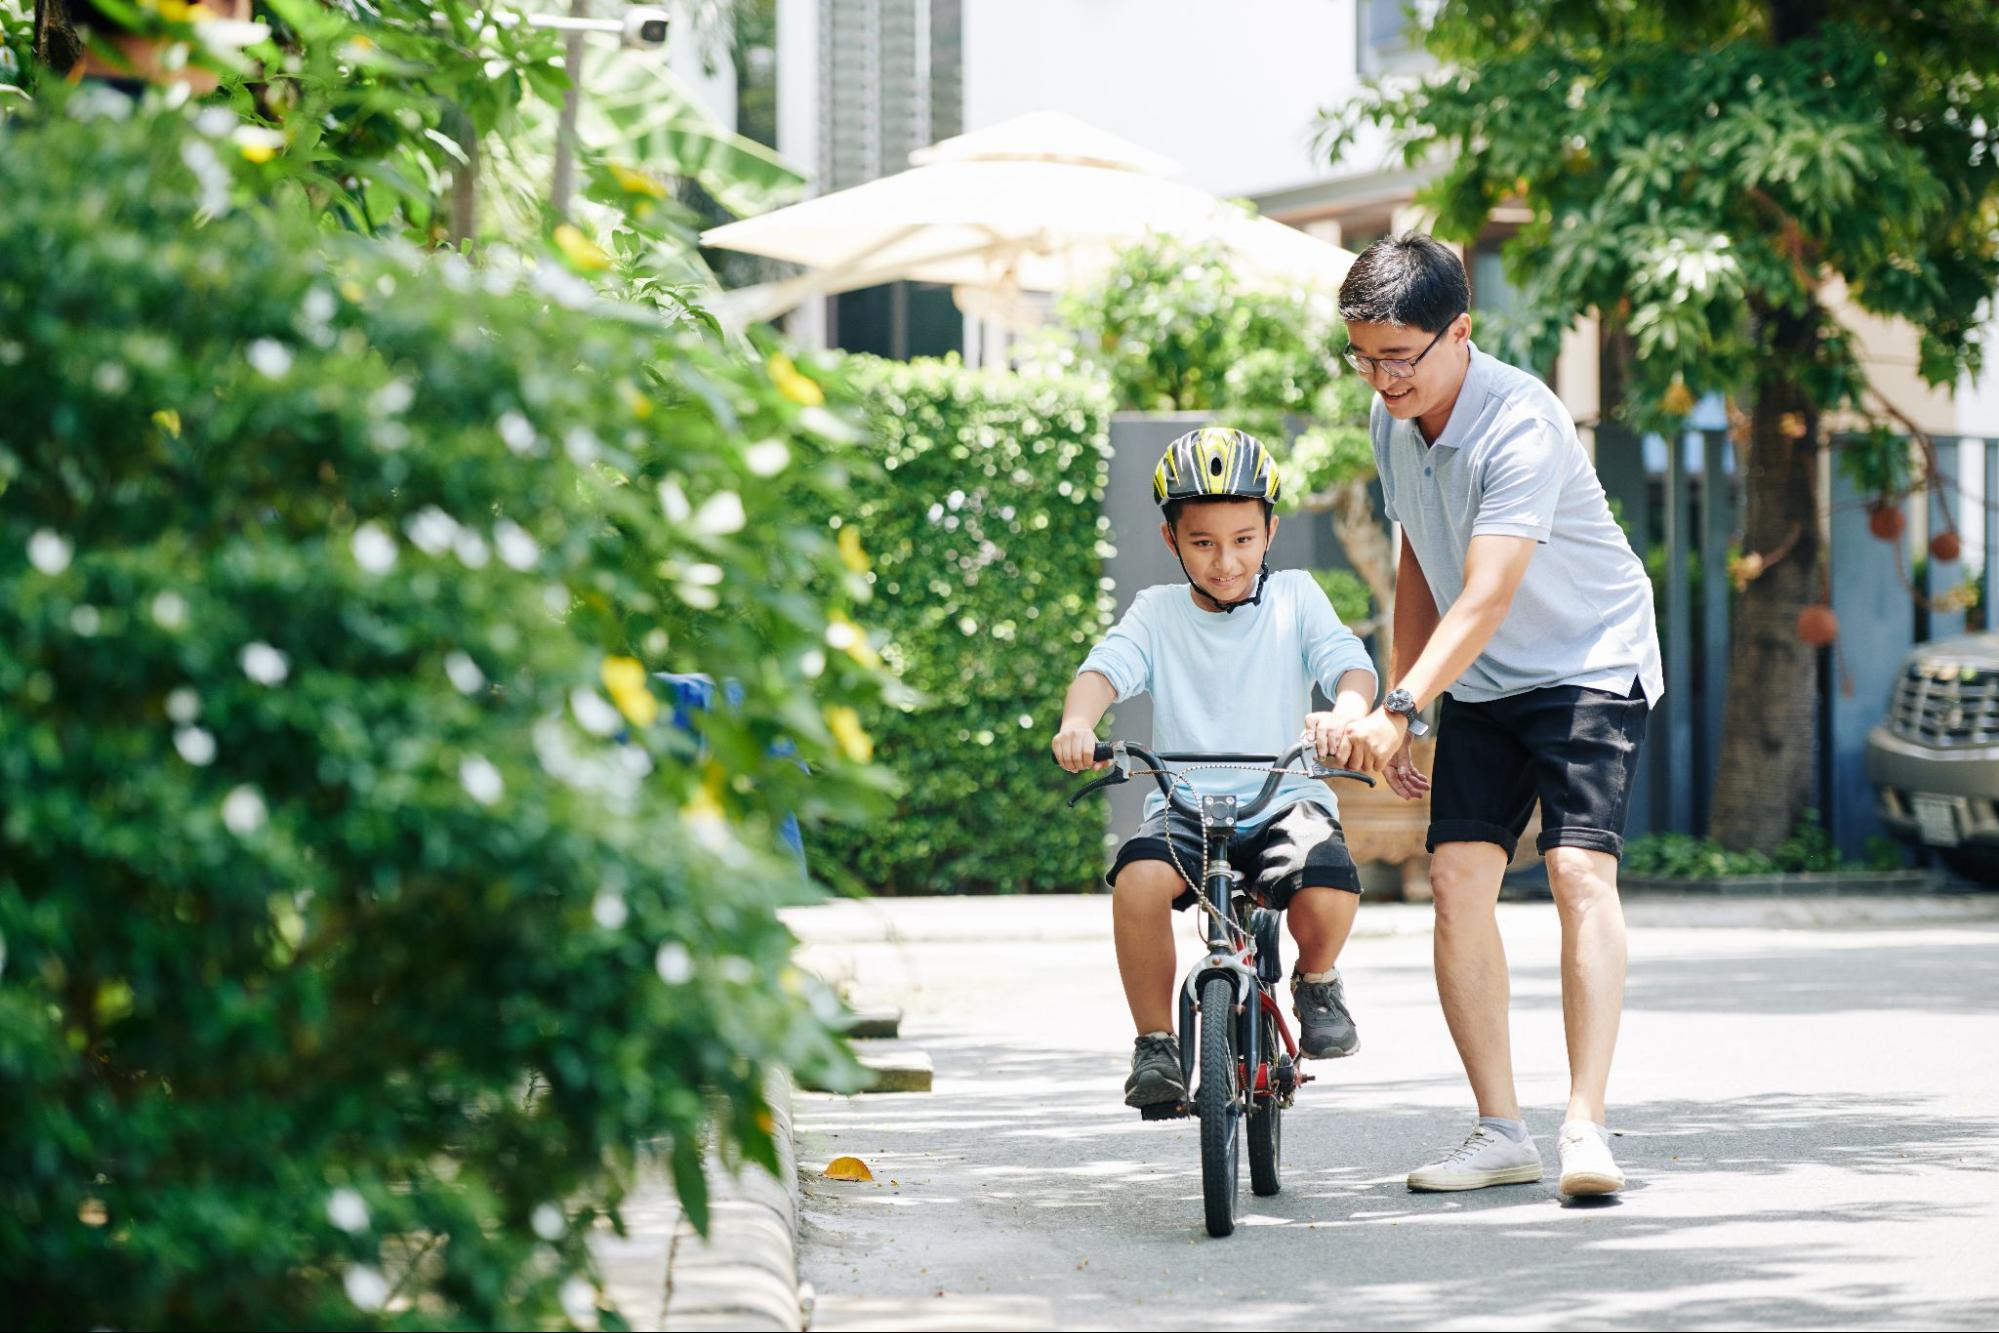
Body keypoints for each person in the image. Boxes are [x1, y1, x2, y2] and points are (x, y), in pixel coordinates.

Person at [1335, 233, 1663, 1197]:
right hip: (1481, 678)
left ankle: (1585, 1128)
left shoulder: (1521, 421)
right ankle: (1499, 1130)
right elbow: (1417, 559)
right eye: (1364, 356)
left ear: (1459, 332)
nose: (1383, 376)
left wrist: (1397, 706)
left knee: (1574, 868)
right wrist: (1415, 696)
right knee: (1455, 877)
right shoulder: (1390, 419)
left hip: (1584, 660)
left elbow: (1483, 592)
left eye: (1400, 355)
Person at [1051, 427, 1379, 1111]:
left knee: (1325, 881)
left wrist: (1344, 712)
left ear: (1270, 530)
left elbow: (1346, 662)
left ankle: (1316, 981)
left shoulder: (1294, 597)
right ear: (1171, 541)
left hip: (1282, 794)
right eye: (1202, 542)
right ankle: (1155, 1045)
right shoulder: (1157, 613)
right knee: (1137, 882)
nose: (1225, 560)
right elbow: (1101, 671)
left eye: (1242, 539)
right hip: (1184, 803)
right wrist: (1078, 721)